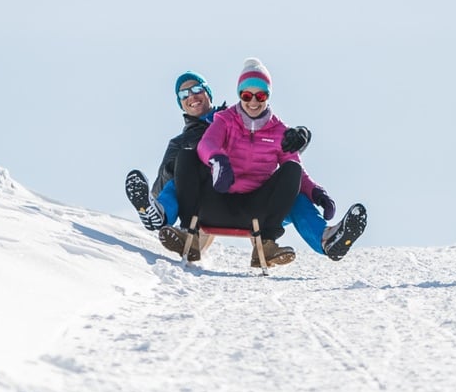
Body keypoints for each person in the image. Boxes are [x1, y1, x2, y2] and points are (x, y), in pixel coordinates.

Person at [185, 58, 369, 266]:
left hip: (257, 208)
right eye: (246, 95)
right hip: (221, 199)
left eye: (260, 95)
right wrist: (217, 159)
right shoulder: (225, 120)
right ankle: (185, 230)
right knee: (188, 159)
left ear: (268, 96)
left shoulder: (280, 131)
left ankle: (327, 240)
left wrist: (316, 192)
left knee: (293, 175)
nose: (253, 102)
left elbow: (297, 169)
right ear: (239, 95)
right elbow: (207, 144)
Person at [123, 71, 321, 261]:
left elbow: (274, 147)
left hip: (254, 198)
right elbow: (167, 181)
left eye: (197, 89)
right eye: (184, 94)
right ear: (180, 103)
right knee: (182, 169)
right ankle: (160, 214)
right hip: (203, 206)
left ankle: (327, 240)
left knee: (297, 197)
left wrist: (302, 135)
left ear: (208, 92)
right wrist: (171, 180)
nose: (192, 96)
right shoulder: (180, 143)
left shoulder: (234, 117)